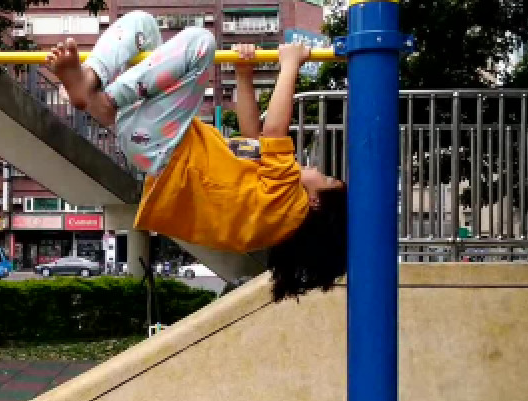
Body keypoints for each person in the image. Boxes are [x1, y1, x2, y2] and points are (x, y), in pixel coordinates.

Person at [47, 11, 347, 302]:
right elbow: (254, 139)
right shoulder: (273, 214)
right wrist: (244, 75)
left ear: (316, 201)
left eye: (326, 178)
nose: (318, 169)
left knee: (201, 43)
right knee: (143, 26)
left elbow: (274, 131)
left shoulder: (290, 206)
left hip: (165, 146)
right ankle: (90, 80)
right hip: (155, 141)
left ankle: (106, 101)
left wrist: (290, 65)